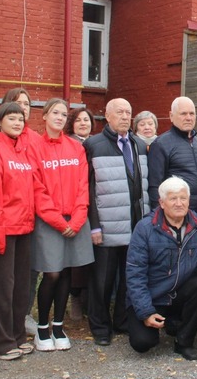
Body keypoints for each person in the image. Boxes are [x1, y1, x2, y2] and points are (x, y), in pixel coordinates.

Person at [27, 98, 95, 351]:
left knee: (66, 272)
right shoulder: (34, 147)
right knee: (52, 272)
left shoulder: (75, 147)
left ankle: (58, 326)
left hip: (75, 219)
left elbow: (82, 185)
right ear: (45, 115)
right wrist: (57, 220)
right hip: (49, 221)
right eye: (55, 112)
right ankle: (42, 327)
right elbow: (37, 188)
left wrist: (77, 219)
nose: (59, 117)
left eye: (64, 114)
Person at [126, 176, 197, 360]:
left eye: (183, 198)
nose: (179, 203)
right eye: (173, 198)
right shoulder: (145, 228)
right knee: (142, 343)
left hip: (181, 293)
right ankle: (168, 323)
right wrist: (146, 312)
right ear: (162, 203)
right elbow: (135, 275)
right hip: (153, 296)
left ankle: (184, 341)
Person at [85, 98, 150, 346]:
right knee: (102, 280)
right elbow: (88, 189)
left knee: (129, 278)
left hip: (135, 224)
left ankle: (121, 321)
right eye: (120, 112)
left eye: (128, 112)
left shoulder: (139, 144)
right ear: (108, 116)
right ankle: (100, 327)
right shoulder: (94, 145)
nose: (125, 116)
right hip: (107, 226)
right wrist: (94, 225)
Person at [0, 102, 36, 361]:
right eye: (11, 118)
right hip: (2, 229)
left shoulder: (21, 150)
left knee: (20, 288)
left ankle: (16, 336)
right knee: (1, 288)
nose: (17, 123)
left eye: (20, 119)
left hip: (24, 228)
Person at [1, 88, 44, 337]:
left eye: (26, 104)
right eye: (17, 103)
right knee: (9, 272)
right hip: (10, 216)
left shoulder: (35, 139)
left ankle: (24, 312)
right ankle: (7, 317)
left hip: (35, 213)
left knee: (30, 268)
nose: (23, 108)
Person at [148, 97, 197, 214]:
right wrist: (159, 216)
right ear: (171, 116)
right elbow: (155, 185)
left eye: (192, 114)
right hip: (177, 214)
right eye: (183, 114)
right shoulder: (161, 144)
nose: (188, 118)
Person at [62, 106, 96, 321]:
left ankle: (87, 297)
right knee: (74, 256)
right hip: (75, 203)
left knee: (90, 255)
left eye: (87, 120)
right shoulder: (68, 144)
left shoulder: (95, 143)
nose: (83, 123)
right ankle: (74, 297)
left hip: (95, 203)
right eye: (79, 120)